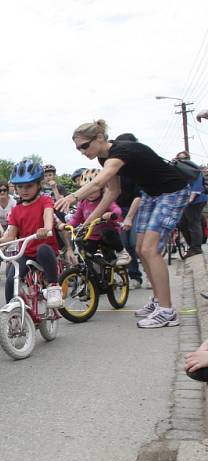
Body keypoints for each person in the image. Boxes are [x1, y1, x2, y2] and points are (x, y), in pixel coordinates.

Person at [55, 119, 190, 329]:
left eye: (84, 145)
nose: (82, 151)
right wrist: (88, 221)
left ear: (100, 138)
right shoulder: (103, 158)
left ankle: (167, 311)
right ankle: (157, 300)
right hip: (152, 195)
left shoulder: (121, 151)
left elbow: (99, 182)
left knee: (150, 249)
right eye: (78, 148)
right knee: (140, 249)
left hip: (172, 192)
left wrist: (73, 197)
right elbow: (112, 191)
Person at [0, 158, 63, 308]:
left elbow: (48, 215)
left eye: (29, 186)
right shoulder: (16, 210)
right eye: (20, 186)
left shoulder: (45, 200)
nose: (24, 190)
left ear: (39, 185)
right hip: (26, 251)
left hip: (45, 249)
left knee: (43, 250)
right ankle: (12, 313)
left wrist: (46, 228)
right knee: (11, 277)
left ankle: (53, 286)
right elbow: (10, 234)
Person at [59, 168, 130, 266]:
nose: (90, 194)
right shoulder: (83, 202)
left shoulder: (106, 199)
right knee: (84, 252)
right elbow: (76, 218)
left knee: (107, 234)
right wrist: (67, 226)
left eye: (94, 191)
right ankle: (91, 273)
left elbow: (117, 210)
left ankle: (122, 252)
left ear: (102, 189)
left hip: (107, 236)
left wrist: (110, 215)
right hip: (92, 235)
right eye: (88, 191)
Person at [111, 133, 144, 289]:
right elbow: (109, 192)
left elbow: (139, 196)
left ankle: (150, 275)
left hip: (138, 208)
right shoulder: (114, 168)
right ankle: (134, 277)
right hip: (119, 210)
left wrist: (129, 217)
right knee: (125, 245)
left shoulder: (137, 170)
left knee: (137, 244)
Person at [173, 151, 206, 258]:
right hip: (187, 200)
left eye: (184, 158)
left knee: (193, 222)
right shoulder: (181, 169)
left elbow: (197, 186)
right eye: (180, 158)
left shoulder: (193, 169)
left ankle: (196, 248)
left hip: (197, 199)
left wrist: (190, 200)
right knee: (182, 223)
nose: (181, 160)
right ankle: (192, 245)